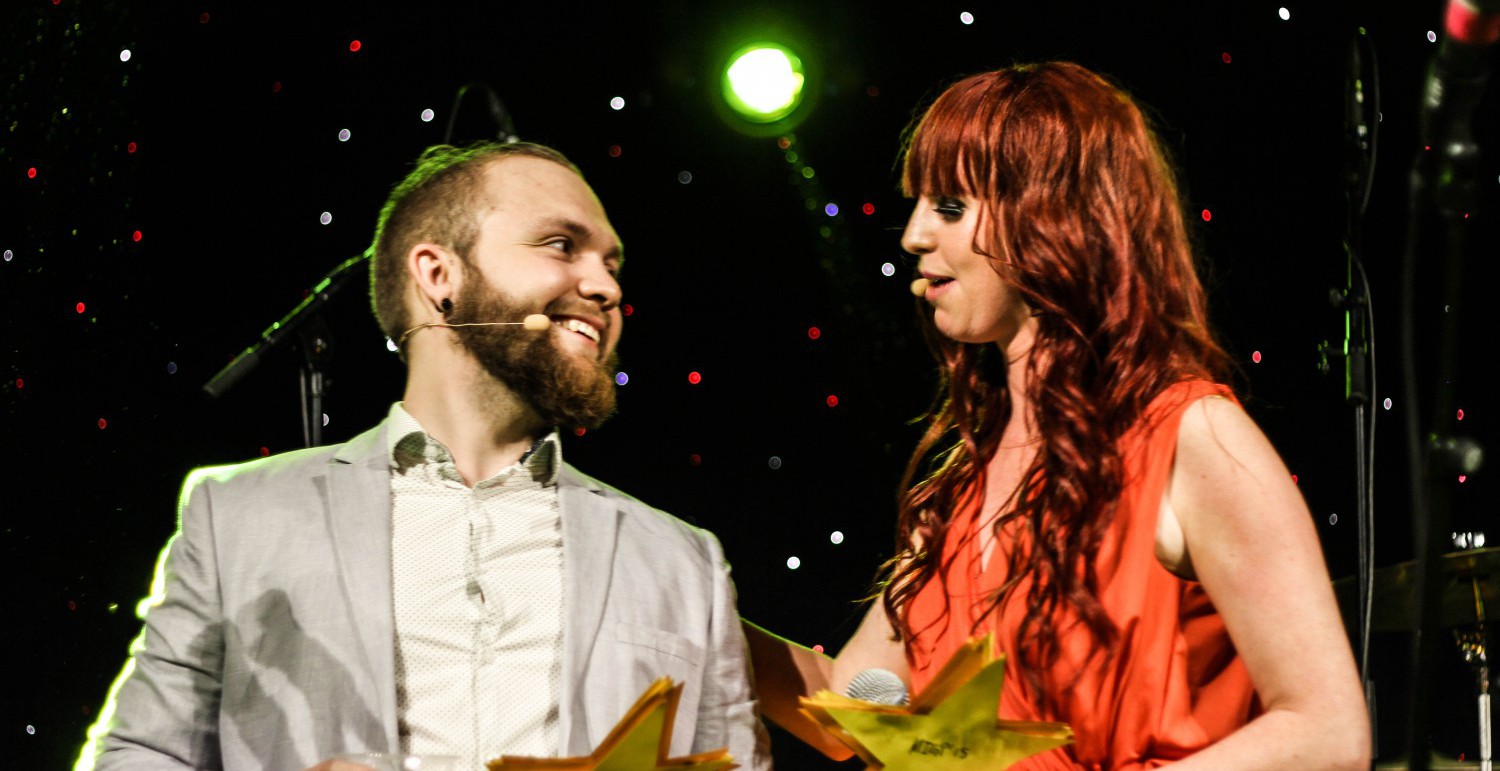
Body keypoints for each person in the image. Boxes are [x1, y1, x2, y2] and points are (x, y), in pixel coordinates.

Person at [747, 62, 1370, 769]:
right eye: (917, 205)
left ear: (1053, 216)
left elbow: (1327, 730)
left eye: (949, 206)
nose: (913, 235)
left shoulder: (1191, 435)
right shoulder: (962, 486)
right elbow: (858, 714)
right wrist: (691, 598)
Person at [78, 141, 771, 771]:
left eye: (612, 265)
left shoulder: (686, 562)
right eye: (562, 246)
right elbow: (136, 756)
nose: (607, 288)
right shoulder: (238, 516)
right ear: (440, 275)